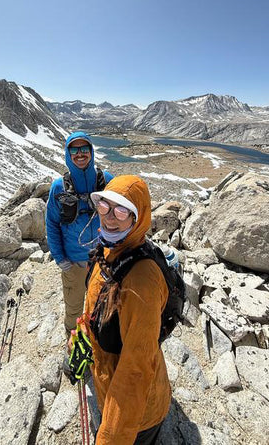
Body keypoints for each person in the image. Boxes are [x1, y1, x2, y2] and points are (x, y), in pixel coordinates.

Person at [83, 175, 171, 445]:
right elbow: (95, 306)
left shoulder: (141, 280)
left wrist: (109, 439)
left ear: (138, 217)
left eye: (122, 210)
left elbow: (135, 369)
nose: (110, 217)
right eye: (105, 207)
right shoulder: (109, 251)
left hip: (138, 416)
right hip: (109, 386)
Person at [45, 131, 113, 334]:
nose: (80, 154)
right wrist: (60, 258)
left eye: (84, 149)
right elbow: (52, 224)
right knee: (74, 308)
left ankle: (99, 341)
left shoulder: (107, 181)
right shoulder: (59, 187)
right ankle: (73, 345)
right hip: (74, 263)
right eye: (74, 149)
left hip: (103, 260)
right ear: (68, 153)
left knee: (103, 306)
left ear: (91, 152)